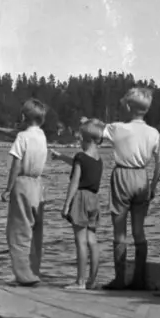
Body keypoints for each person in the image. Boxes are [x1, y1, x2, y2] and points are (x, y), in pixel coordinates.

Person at [101, 86, 160, 291]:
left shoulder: (117, 128)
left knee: (120, 231)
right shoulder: (153, 133)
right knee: (139, 230)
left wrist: (86, 122)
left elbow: (94, 131)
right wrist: (153, 185)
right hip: (142, 176)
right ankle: (139, 279)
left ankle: (120, 279)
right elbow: (159, 162)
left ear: (128, 107)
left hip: (122, 175)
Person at [0, 98, 48, 287]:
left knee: (19, 231)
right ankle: (34, 271)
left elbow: (16, 164)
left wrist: (8, 188)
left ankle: (23, 275)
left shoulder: (22, 137)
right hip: (38, 185)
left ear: (23, 117)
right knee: (36, 231)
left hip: (22, 184)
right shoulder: (42, 136)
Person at [61, 119, 105, 290]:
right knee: (92, 240)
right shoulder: (98, 160)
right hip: (94, 200)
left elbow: (75, 181)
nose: (78, 141)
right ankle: (92, 281)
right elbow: (81, 165)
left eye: (80, 138)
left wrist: (66, 205)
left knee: (80, 241)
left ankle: (80, 281)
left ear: (87, 139)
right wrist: (61, 157)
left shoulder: (80, 157)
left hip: (80, 198)